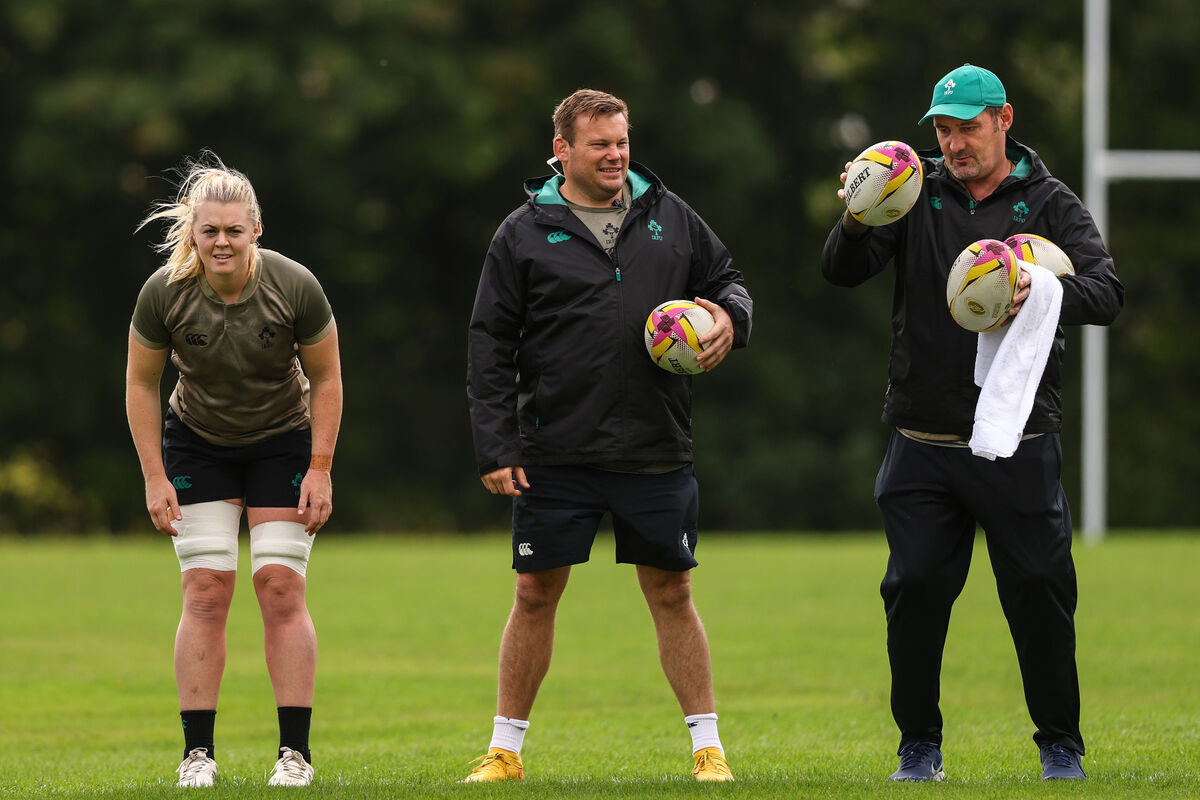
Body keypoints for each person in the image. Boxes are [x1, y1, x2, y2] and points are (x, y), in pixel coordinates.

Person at [822, 64, 1123, 782]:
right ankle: (918, 747)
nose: (955, 142)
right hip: (922, 439)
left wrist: (1037, 285)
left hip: (1018, 437)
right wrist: (858, 213)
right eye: (945, 129)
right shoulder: (911, 188)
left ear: (1004, 119)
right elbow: (842, 270)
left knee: (1041, 591)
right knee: (915, 590)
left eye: (968, 126)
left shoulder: (1048, 201)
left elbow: (1106, 292)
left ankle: (1060, 747)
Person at [464, 89, 752, 783]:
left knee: (672, 591)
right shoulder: (524, 231)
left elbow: (729, 282)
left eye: (621, 141)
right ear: (561, 149)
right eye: (599, 144)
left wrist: (728, 322)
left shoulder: (670, 216)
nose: (615, 154)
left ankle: (708, 750)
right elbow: (490, 343)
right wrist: (496, 445)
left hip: (654, 445)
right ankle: (505, 753)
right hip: (553, 450)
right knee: (534, 593)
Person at [125, 152, 342, 788]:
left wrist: (321, 468)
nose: (221, 241)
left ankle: (294, 755)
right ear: (192, 230)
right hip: (196, 442)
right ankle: (198, 755)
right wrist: (154, 476)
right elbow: (141, 383)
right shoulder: (164, 291)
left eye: (233, 230)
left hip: (283, 440)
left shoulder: (294, 285)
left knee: (279, 585)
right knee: (206, 590)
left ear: (255, 231)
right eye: (209, 229)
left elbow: (327, 377)